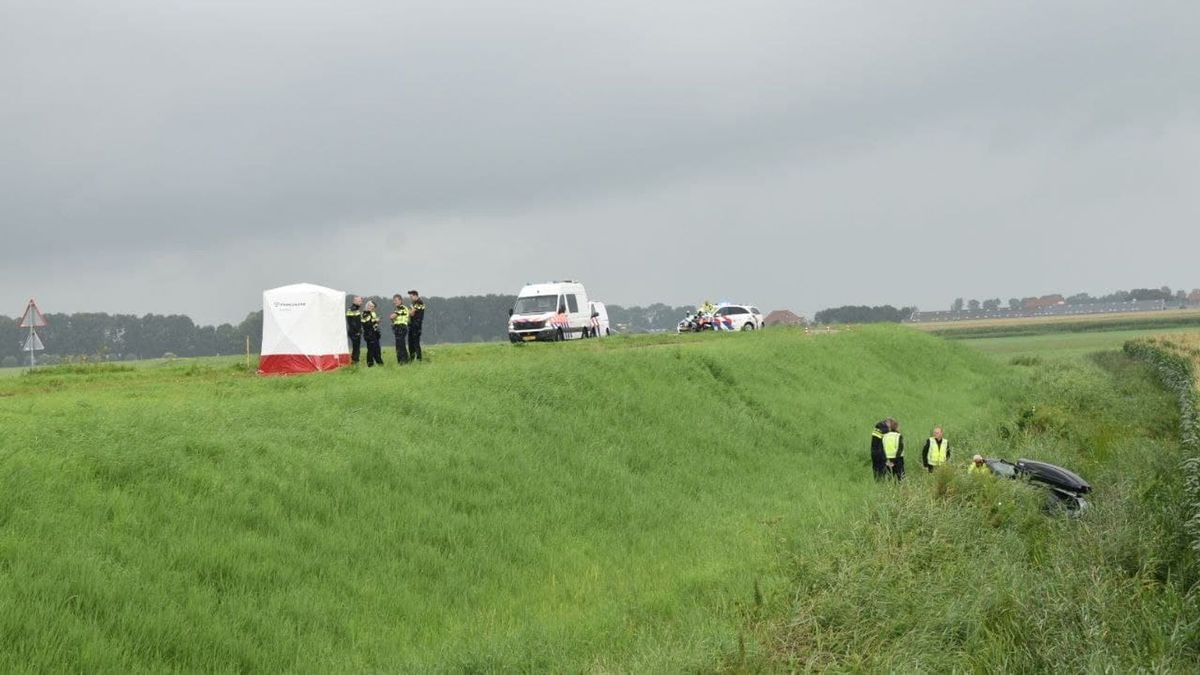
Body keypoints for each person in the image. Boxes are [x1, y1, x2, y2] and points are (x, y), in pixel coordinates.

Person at [361, 300, 384, 367]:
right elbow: (367, 324)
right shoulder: (364, 313)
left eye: (372, 306)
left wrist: (377, 323)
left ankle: (380, 364)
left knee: (377, 349)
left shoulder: (373, 313)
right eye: (369, 305)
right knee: (371, 350)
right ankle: (370, 365)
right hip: (369, 334)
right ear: (367, 305)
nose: (370, 307)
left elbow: (373, 323)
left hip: (374, 333)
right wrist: (375, 321)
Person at [389, 294, 410, 364]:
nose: (394, 302)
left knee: (400, 346)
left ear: (400, 300)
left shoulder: (402, 308)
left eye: (396, 300)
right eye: (394, 301)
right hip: (398, 328)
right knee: (399, 346)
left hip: (401, 327)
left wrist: (392, 317)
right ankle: (402, 361)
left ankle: (404, 361)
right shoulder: (398, 309)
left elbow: (392, 317)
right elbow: (393, 319)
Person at [407, 290, 425, 361]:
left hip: (416, 326)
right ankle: (411, 358)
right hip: (412, 325)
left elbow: (411, 313)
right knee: (410, 343)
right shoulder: (414, 303)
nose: (410, 298)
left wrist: (410, 311)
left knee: (416, 343)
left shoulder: (420, 302)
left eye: (411, 296)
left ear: (415, 295)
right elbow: (411, 313)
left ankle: (419, 359)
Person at [346, 295, 364, 364]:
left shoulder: (356, 309)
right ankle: (355, 361)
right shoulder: (352, 309)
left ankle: (355, 361)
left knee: (356, 347)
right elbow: (352, 323)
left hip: (355, 331)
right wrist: (357, 331)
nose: (360, 302)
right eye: (359, 301)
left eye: (361, 301)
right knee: (356, 348)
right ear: (354, 301)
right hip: (354, 332)